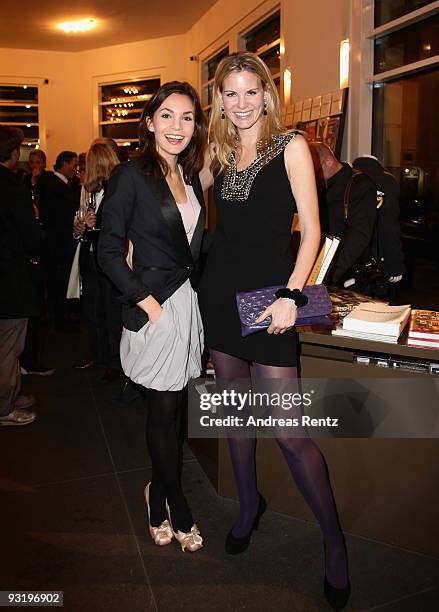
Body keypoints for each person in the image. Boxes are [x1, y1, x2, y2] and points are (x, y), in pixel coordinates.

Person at [197, 52, 350, 609]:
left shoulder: (291, 147)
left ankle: (334, 545)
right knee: (236, 416)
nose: (240, 104)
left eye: (249, 92)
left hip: (270, 300)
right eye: (229, 94)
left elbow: (312, 232)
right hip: (219, 297)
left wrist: (292, 294)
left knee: (289, 433)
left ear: (267, 93)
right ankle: (246, 506)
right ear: (220, 99)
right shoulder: (215, 151)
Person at [98, 81, 208, 552]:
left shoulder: (191, 174)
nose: (177, 126)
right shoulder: (130, 175)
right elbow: (105, 251)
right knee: (163, 411)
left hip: (188, 304)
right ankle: (175, 506)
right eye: (167, 116)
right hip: (155, 305)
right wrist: (147, 303)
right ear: (149, 122)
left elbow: (193, 247)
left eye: (186, 117)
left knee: (175, 409)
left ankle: (157, 491)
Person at [0, 126, 44, 426]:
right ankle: (5, 406)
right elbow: (31, 236)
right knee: (9, 345)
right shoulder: (11, 188)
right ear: (14, 153)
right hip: (9, 276)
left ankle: (11, 394)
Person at [72, 142, 122, 379]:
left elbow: (120, 229)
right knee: (93, 311)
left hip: (110, 263)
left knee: (111, 313)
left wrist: (94, 227)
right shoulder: (88, 190)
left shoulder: (118, 188)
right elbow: (79, 226)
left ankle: (114, 362)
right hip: (90, 259)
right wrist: (80, 227)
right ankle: (101, 357)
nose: (83, 168)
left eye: (87, 163)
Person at [309, 142, 377, 288]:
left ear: (327, 161)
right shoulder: (320, 186)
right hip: (321, 267)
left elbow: (359, 235)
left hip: (345, 272)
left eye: (314, 169)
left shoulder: (360, 184)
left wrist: (331, 273)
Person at [352, 155, 405, 285]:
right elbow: (389, 226)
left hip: (349, 257)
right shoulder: (387, 182)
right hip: (377, 257)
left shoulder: (348, 178)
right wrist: (395, 264)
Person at [43, 151, 80, 330]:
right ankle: (62, 319)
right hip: (60, 244)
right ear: (64, 164)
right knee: (61, 281)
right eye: (74, 165)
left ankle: (62, 316)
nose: (76, 169)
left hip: (58, 242)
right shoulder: (56, 186)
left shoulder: (58, 184)